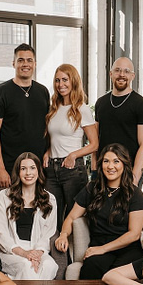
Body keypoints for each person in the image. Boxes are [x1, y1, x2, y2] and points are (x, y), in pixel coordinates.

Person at [55, 143, 143, 280]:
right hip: (99, 248)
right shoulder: (92, 188)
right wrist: (63, 234)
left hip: (128, 249)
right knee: (92, 267)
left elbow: (134, 234)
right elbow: (71, 217)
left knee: (117, 274)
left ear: (124, 164)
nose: (110, 166)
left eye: (116, 161)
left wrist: (103, 249)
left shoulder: (135, 194)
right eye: (106, 161)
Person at [0, 154, 58, 285]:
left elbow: (48, 233)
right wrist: (23, 253)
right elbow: (0, 231)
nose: (28, 173)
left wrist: (38, 252)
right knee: (25, 266)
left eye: (32, 168)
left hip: (37, 249)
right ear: (18, 172)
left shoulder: (49, 199)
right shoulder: (4, 196)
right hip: (10, 251)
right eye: (23, 168)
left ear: (39, 171)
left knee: (50, 265)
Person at [0, 43, 50, 188]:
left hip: (38, 166)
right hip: (11, 167)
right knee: (11, 208)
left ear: (34, 64)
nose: (25, 64)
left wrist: (48, 151)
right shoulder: (0, 93)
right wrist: (0, 168)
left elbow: (48, 127)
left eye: (29, 60)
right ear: (13, 63)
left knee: (38, 208)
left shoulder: (43, 91)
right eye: (21, 60)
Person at [44, 64, 97, 229]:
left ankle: (73, 254)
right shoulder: (54, 108)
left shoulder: (82, 109)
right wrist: (47, 152)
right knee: (51, 216)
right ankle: (53, 254)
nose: (61, 84)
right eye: (57, 80)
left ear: (73, 81)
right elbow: (54, 138)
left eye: (65, 80)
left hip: (72, 170)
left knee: (73, 218)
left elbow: (94, 144)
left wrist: (73, 155)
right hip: (51, 170)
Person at [94, 56, 143, 185]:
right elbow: (96, 141)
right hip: (104, 171)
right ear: (111, 74)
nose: (122, 75)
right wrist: (95, 170)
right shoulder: (101, 103)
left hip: (129, 172)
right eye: (117, 70)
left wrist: (135, 176)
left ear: (133, 76)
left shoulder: (142, 105)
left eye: (126, 71)